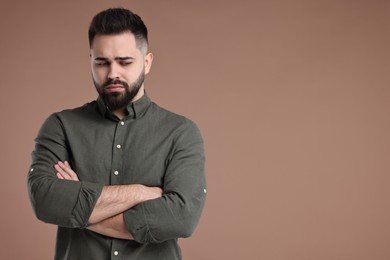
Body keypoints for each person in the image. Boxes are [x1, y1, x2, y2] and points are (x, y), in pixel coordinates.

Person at [27, 7, 206, 260]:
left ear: (147, 62)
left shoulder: (181, 132)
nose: (112, 73)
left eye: (125, 62)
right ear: (91, 61)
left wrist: (78, 208)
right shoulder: (61, 126)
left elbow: (181, 219)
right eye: (102, 62)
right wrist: (141, 193)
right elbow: (45, 200)